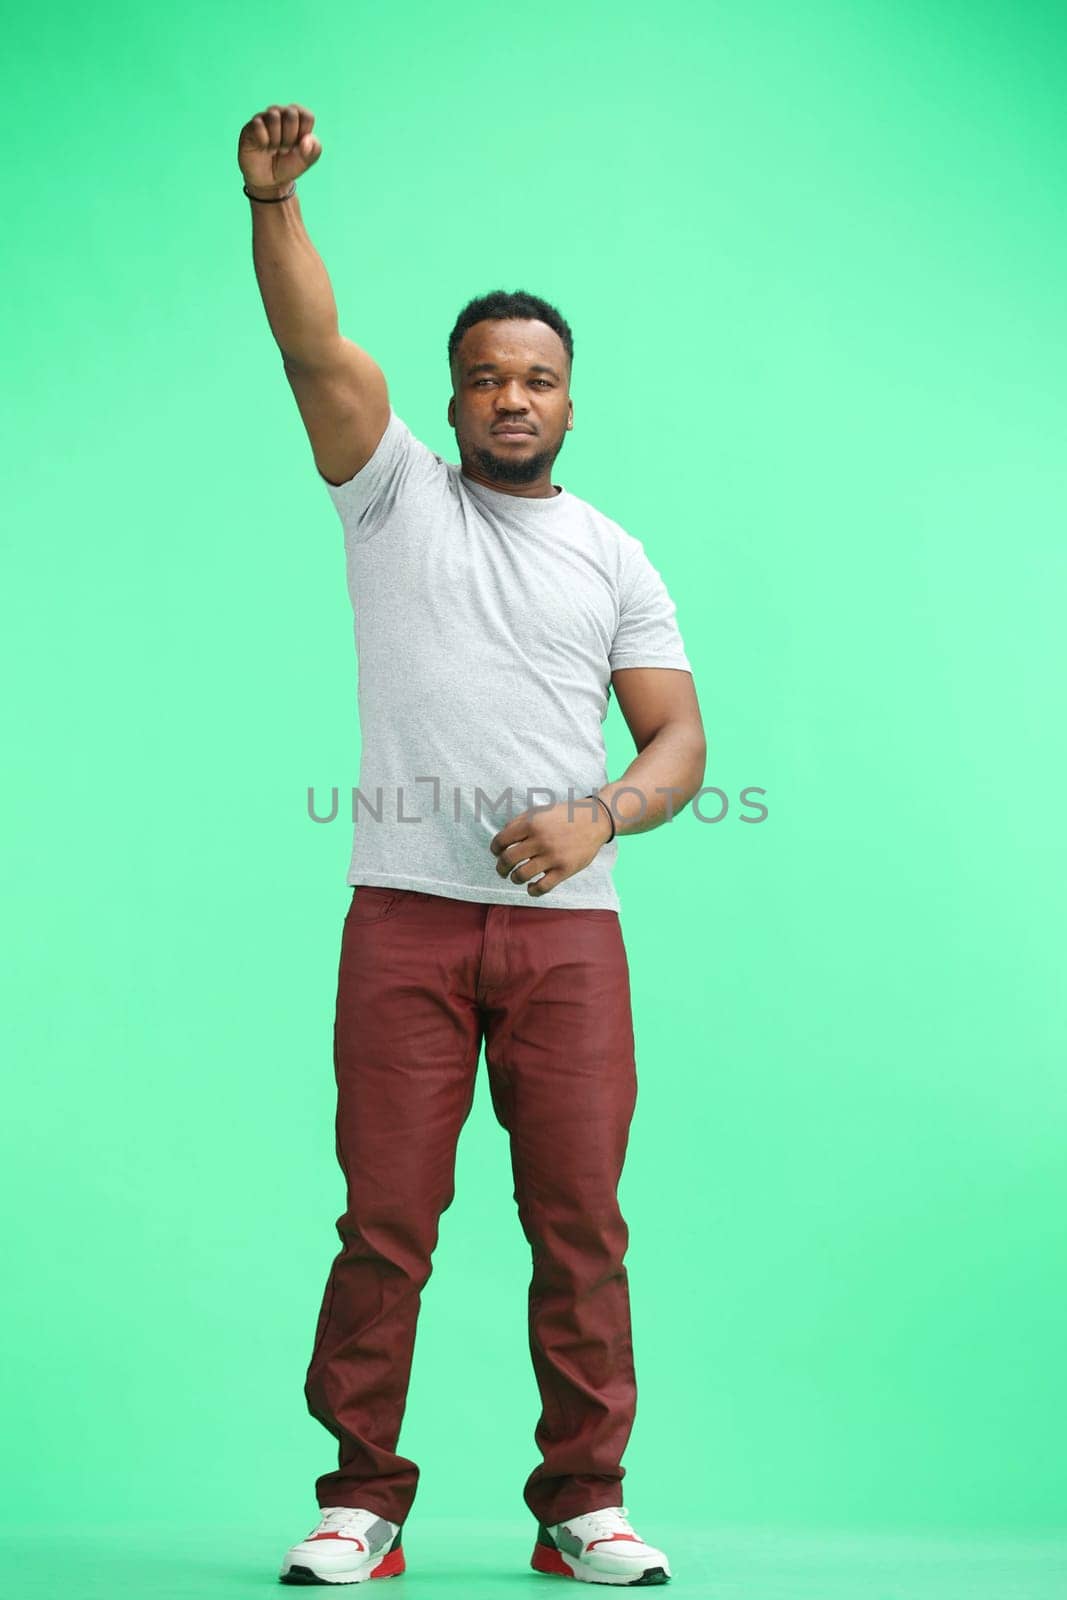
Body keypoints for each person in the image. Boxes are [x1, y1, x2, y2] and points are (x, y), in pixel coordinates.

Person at [239, 103, 706, 1588]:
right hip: (406, 923)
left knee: (579, 1225)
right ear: (450, 397)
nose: (514, 397)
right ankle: (361, 1503)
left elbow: (682, 746)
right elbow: (318, 353)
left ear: (573, 401)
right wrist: (273, 212)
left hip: (573, 935)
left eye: (540, 379)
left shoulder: (617, 555)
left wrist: (598, 815)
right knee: (386, 1221)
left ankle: (584, 1504)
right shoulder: (393, 502)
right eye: (489, 377)